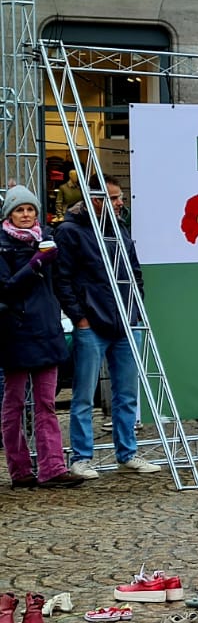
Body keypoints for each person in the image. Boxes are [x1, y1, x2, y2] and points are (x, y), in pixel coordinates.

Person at [53, 178, 159, 478]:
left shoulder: (121, 230)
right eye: (114, 198)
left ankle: (127, 454)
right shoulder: (69, 232)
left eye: (121, 197)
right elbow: (62, 279)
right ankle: (81, 458)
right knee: (84, 396)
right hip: (91, 325)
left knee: (127, 394)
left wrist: (135, 311)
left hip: (125, 323)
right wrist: (79, 318)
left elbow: (134, 273)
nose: (120, 203)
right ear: (95, 200)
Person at [0, 186, 82, 488]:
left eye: (30, 209)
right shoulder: (4, 246)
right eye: (19, 210)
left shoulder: (47, 242)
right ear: (9, 214)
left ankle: (52, 468)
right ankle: (19, 470)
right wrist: (36, 263)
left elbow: (60, 283)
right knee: (14, 405)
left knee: (46, 403)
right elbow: (6, 287)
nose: (25, 215)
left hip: (47, 331)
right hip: (15, 334)